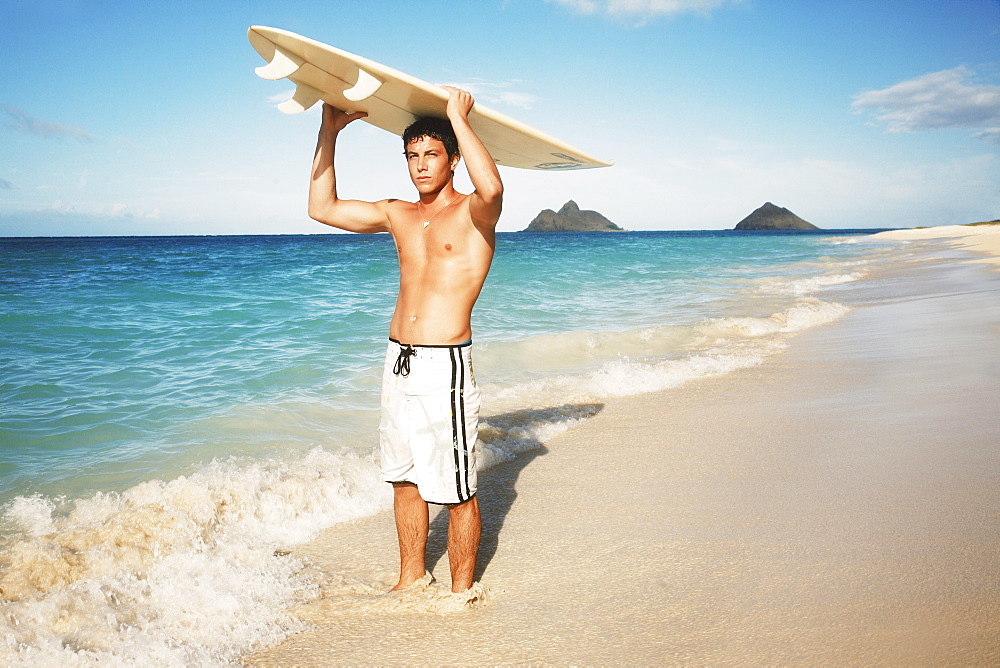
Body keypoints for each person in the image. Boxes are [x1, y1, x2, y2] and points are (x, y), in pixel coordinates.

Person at [307, 87, 503, 594]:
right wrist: (328, 134)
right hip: (400, 361)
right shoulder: (398, 213)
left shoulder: (473, 215)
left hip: (446, 366)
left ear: (453, 159)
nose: (420, 166)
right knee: (403, 476)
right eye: (412, 156)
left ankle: (462, 591)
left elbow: (494, 189)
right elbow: (321, 208)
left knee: (456, 487)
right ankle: (410, 577)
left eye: (431, 155)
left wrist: (458, 119)